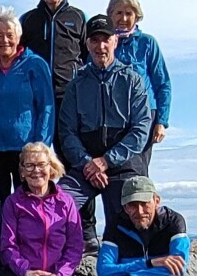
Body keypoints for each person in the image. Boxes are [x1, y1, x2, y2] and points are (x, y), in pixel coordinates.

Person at [58, 15, 151, 250]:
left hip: (125, 166)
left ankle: (133, 268)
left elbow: (140, 130)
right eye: (95, 40)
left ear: (115, 41)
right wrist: (88, 163)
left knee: (132, 216)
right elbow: (66, 132)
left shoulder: (133, 81)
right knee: (55, 204)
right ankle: (64, 256)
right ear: (87, 44)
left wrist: (107, 160)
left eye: (106, 39)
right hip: (85, 167)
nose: (100, 46)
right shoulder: (76, 85)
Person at [20, 0, 93, 243]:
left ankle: (84, 227)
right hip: (36, 101)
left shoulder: (78, 17)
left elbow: (89, 57)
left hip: (68, 99)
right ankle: (32, 225)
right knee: (34, 161)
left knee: (73, 162)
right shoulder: (29, 20)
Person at [0, 142, 88, 276]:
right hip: (23, 273)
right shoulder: (13, 203)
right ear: (21, 172)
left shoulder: (66, 202)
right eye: (29, 165)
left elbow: (75, 246)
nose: (36, 170)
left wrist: (59, 275)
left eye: (41, 165)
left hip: (57, 273)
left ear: (51, 167)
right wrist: (26, 272)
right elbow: (8, 246)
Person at [0, 8, 54, 201]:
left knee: (30, 201)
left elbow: (46, 106)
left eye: (9, 35)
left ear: (18, 37)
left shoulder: (35, 64)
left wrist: (41, 146)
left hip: (26, 148)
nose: (4, 40)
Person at [108, 0, 171, 169]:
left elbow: (163, 84)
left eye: (129, 13)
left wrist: (161, 121)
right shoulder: (104, 44)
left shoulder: (147, 43)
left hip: (144, 115)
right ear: (110, 14)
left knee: (137, 169)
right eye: (119, 12)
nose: (123, 18)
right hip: (112, 116)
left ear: (137, 16)